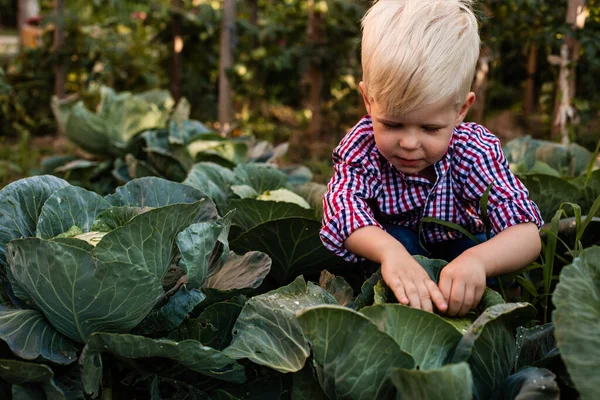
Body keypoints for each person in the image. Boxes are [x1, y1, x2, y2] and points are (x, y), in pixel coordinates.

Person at [320, 0, 543, 317]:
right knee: (395, 238)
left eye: (431, 128)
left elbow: (525, 233)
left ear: (461, 110)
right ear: (368, 101)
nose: (409, 143)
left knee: (477, 248)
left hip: (460, 251)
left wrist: (478, 261)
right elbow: (342, 209)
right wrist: (389, 253)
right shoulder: (362, 145)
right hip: (395, 254)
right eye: (392, 124)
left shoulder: (473, 150)